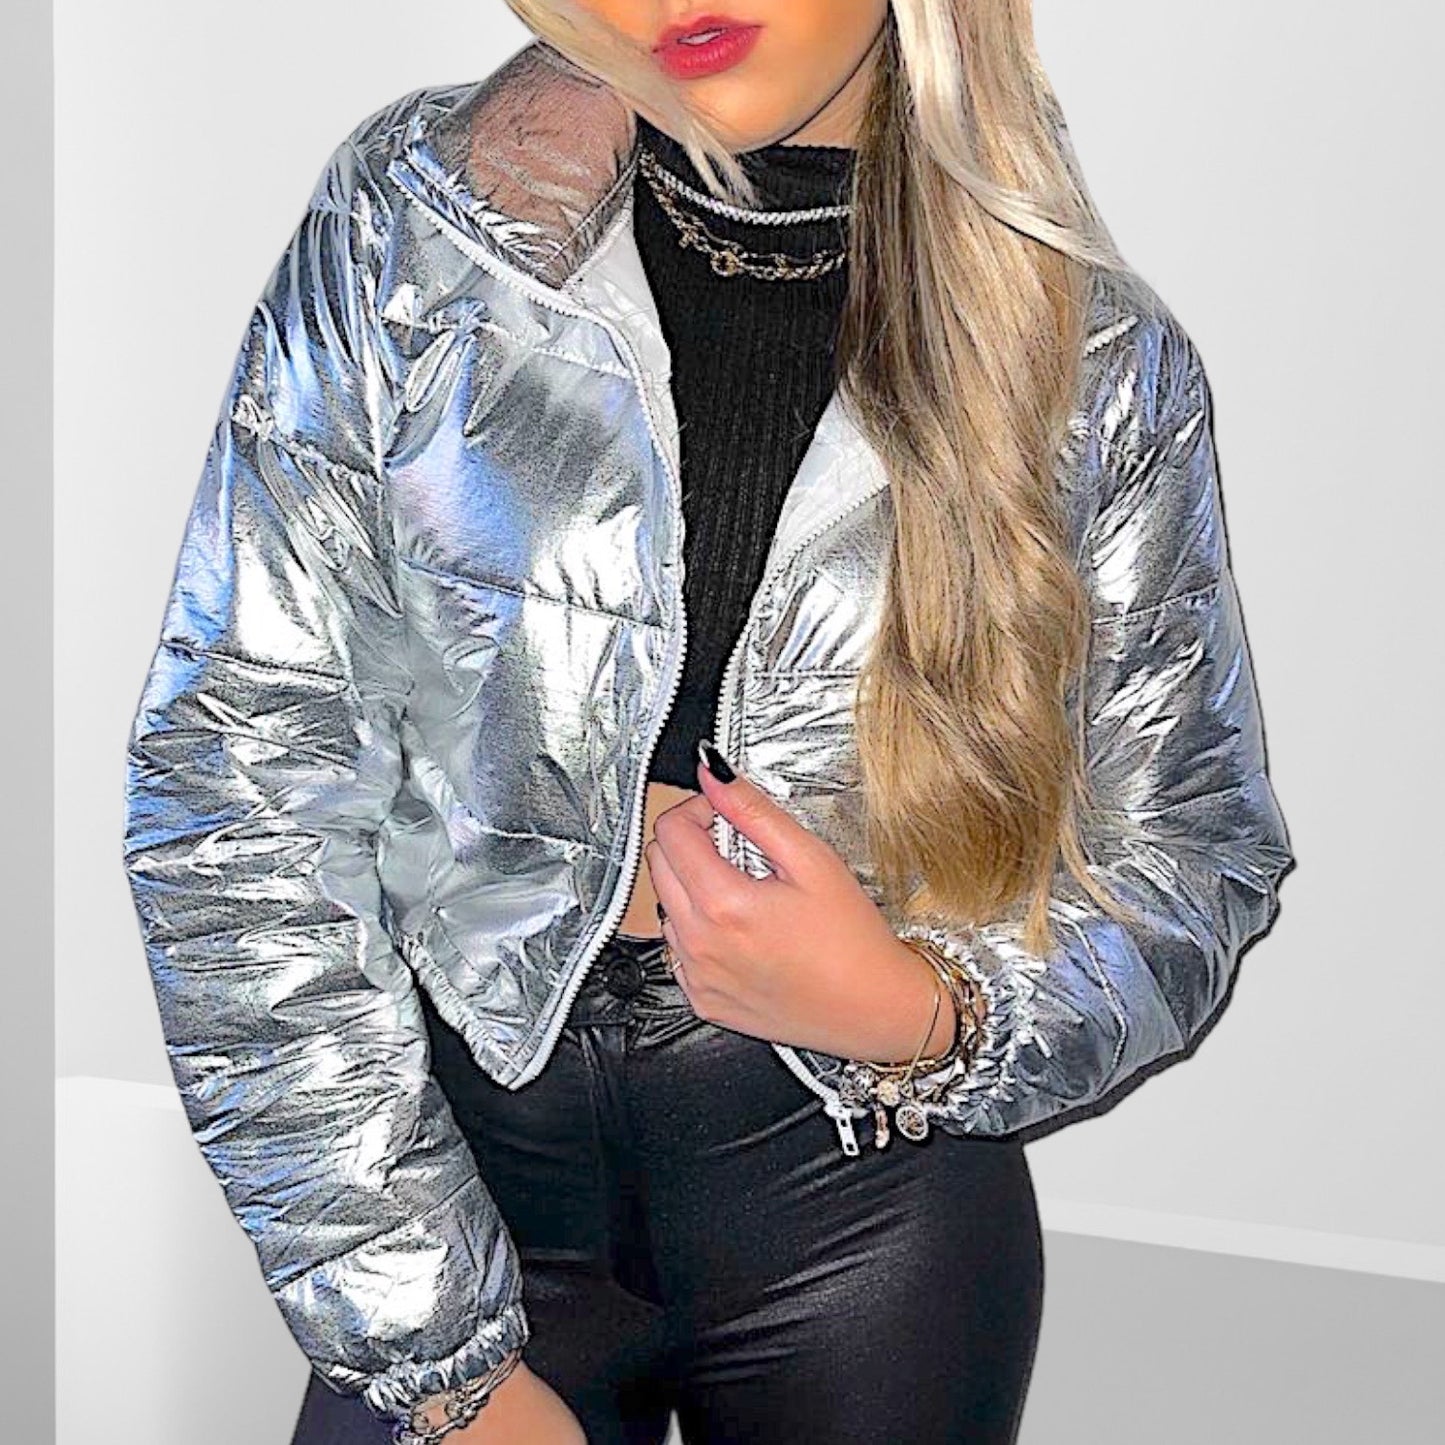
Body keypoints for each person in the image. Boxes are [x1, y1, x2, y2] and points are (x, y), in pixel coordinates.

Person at [119, 2, 1295, 1443]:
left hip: (861, 1225)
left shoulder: (1094, 359)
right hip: (451, 1177)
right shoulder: (415, 232)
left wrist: (923, 1013)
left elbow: (1195, 859)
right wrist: (438, 1367)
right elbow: (236, 788)